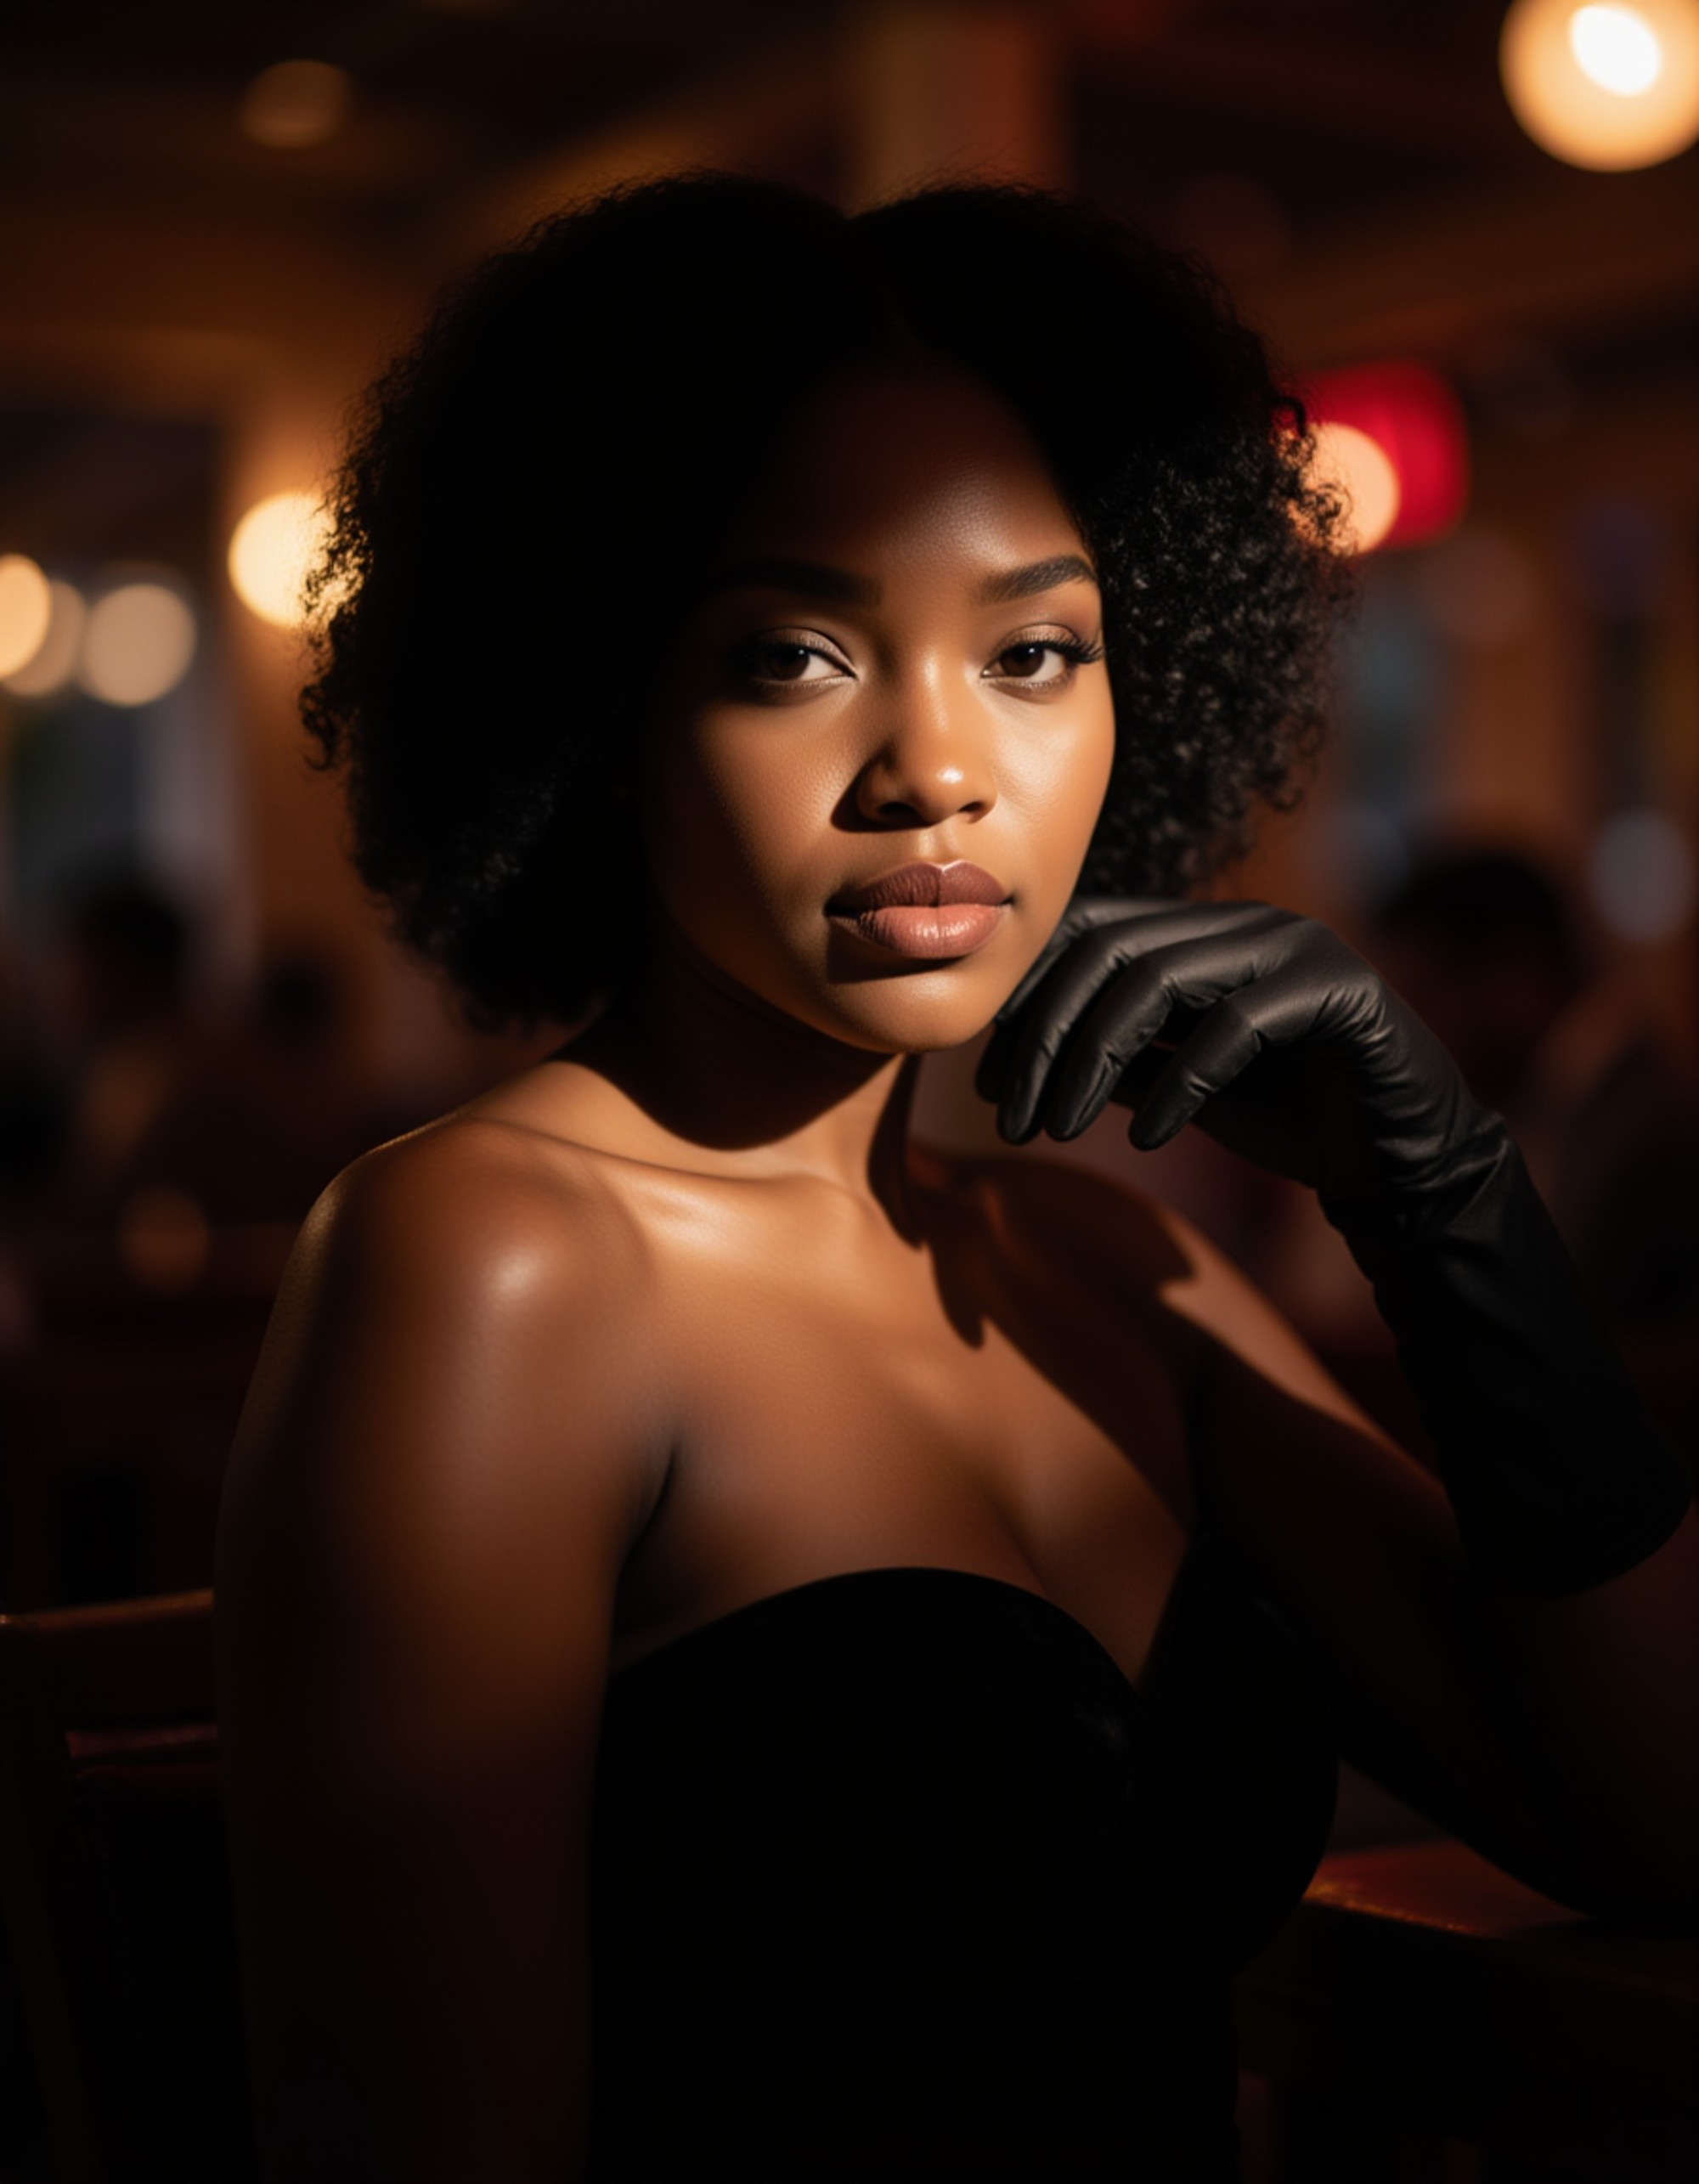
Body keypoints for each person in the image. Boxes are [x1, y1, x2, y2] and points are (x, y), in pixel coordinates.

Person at [214, 175, 1697, 2183]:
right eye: (793, 653)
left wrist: (1436, 1183)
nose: (935, 767)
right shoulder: (484, 1260)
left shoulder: (1093, 1265)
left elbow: (1654, 1816)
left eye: (1033, 650)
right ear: (600, 699)